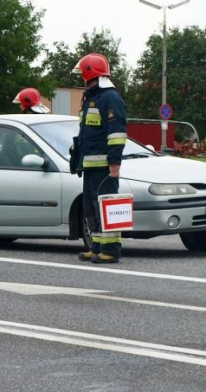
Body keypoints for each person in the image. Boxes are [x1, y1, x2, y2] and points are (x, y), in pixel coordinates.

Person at [72, 53, 127, 264]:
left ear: (89, 73)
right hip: (90, 165)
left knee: (107, 207)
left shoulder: (110, 98)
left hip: (104, 165)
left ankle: (111, 250)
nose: (81, 78)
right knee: (91, 206)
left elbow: (117, 134)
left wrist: (114, 163)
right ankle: (96, 247)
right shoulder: (92, 98)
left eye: (83, 74)